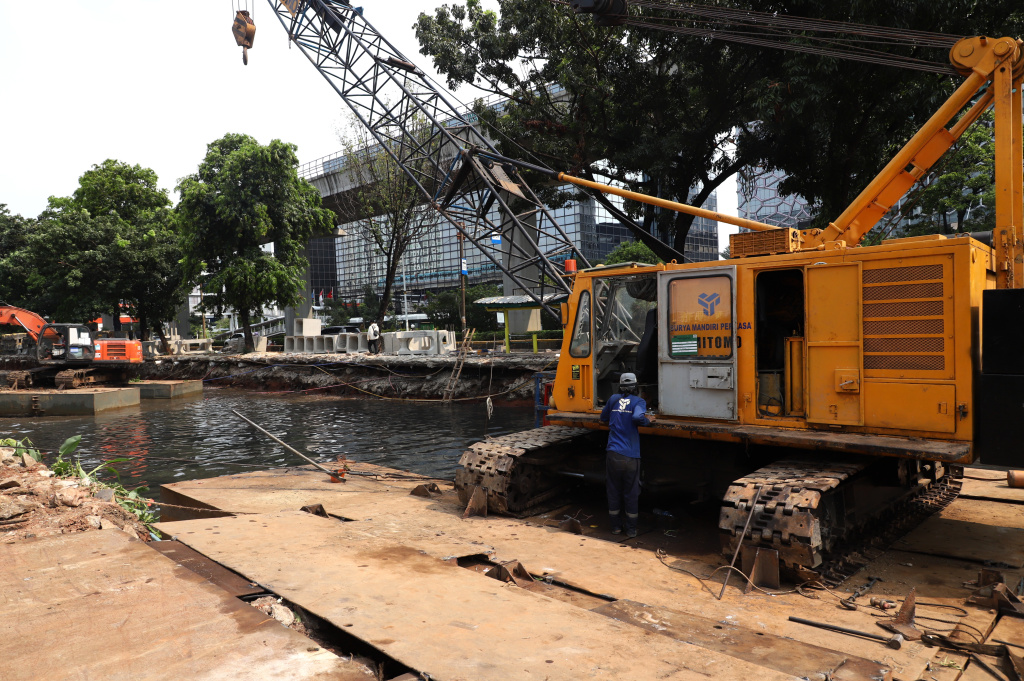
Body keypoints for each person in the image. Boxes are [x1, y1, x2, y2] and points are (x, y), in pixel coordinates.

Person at [599, 373, 655, 538]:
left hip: (613, 454)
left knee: (613, 491)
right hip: (630, 456)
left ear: (620, 386)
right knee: (631, 493)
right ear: (636, 387)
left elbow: (603, 417)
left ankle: (616, 528)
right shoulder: (639, 401)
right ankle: (631, 530)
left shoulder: (613, 399)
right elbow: (637, 417)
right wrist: (648, 420)